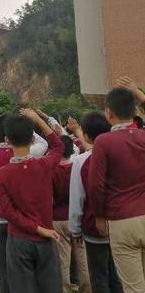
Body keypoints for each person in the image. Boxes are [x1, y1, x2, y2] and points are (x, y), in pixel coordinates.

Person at [0, 113, 48, 293]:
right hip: (26, 220)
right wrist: (27, 124)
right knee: (29, 268)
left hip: (0, 220)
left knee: (4, 268)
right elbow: (45, 144)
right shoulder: (30, 151)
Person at [0, 109, 63, 293]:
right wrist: (39, 120)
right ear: (33, 139)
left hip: (19, 239)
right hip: (46, 237)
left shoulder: (3, 174)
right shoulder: (44, 165)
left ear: (7, 140)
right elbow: (58, 146)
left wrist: (36, 229)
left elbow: (9, 212)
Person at [89, 79, 145, 293]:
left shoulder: (103, 142)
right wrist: (139, 93)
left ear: (109, 112)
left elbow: (96, 185)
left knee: (133, 287)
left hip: (121, 220)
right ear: (134, 110)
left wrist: (99, 215)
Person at [69, 112, 123, 293]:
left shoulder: (81, 161)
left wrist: (75, 229)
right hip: (119, 223)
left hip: (94, 227)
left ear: (85, 135)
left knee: (99, 276)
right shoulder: (118, 154)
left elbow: (78, 197)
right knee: (117, 275)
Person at [52, 134, 91, 293]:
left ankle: (65, 289)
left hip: (58, 218)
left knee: (63, 260)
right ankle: (86, 288)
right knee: (82, 259)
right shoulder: (78, 165)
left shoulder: (52, 170)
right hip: (77, 216)